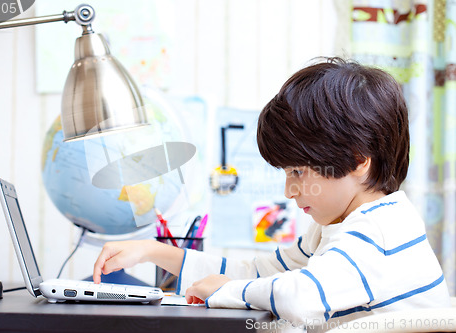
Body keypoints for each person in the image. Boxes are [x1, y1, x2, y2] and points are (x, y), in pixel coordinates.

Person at [93, 57, 451, 331]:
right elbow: (256, 271)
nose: (289, 190)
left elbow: (302, 296)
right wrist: (153, 252)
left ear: (358, 162)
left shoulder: (379, 232)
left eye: (298, 171)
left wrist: (225, 293)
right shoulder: (336, 226)